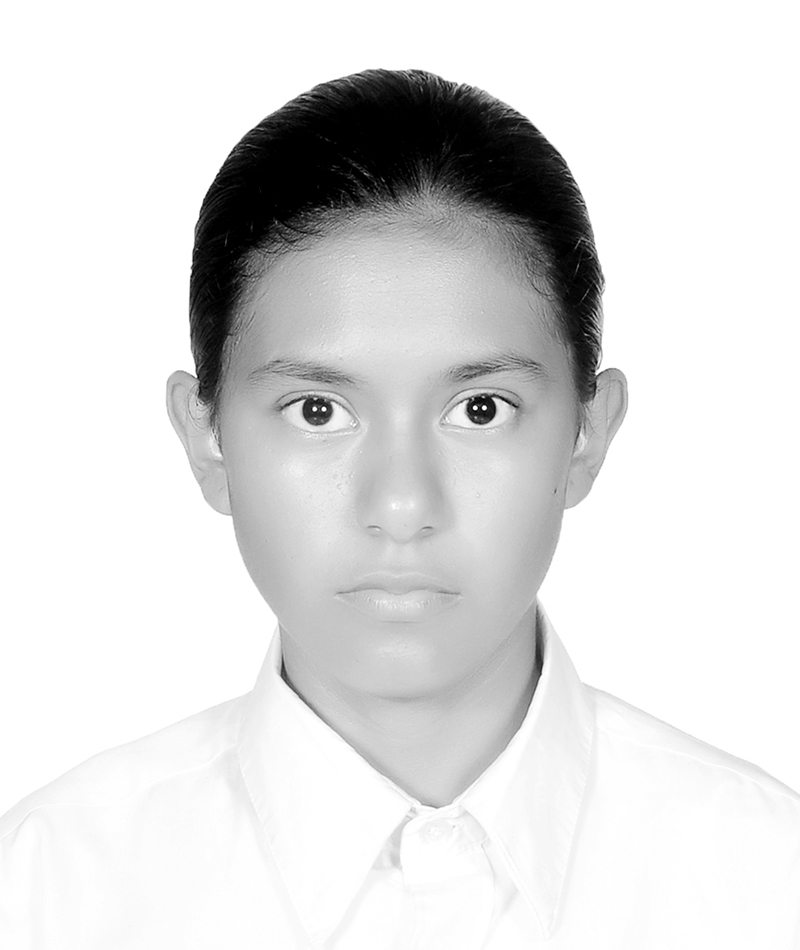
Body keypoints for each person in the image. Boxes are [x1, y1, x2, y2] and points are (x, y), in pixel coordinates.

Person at [1, 68, 798, 949]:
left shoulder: (768, 883)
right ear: (207, 438)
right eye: (318, 411)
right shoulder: (44, 893)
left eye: (480, 409)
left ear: (588, 433)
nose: (402, 505)